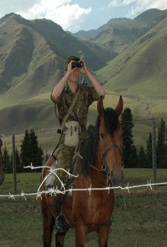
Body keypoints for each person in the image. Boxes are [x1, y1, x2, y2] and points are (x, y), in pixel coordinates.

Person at [50, 56, 105, 233]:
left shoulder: (84, 91)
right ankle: (59, 215)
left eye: (76, 68)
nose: (74, 71)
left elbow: (102, 93)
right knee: (62, 174)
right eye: (71, 68)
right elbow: (54, 95)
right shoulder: (63, 92)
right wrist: (67, 74)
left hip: (84, 139)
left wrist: (86, 72)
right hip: (67, 141)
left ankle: (99, 207)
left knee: (99, 167)